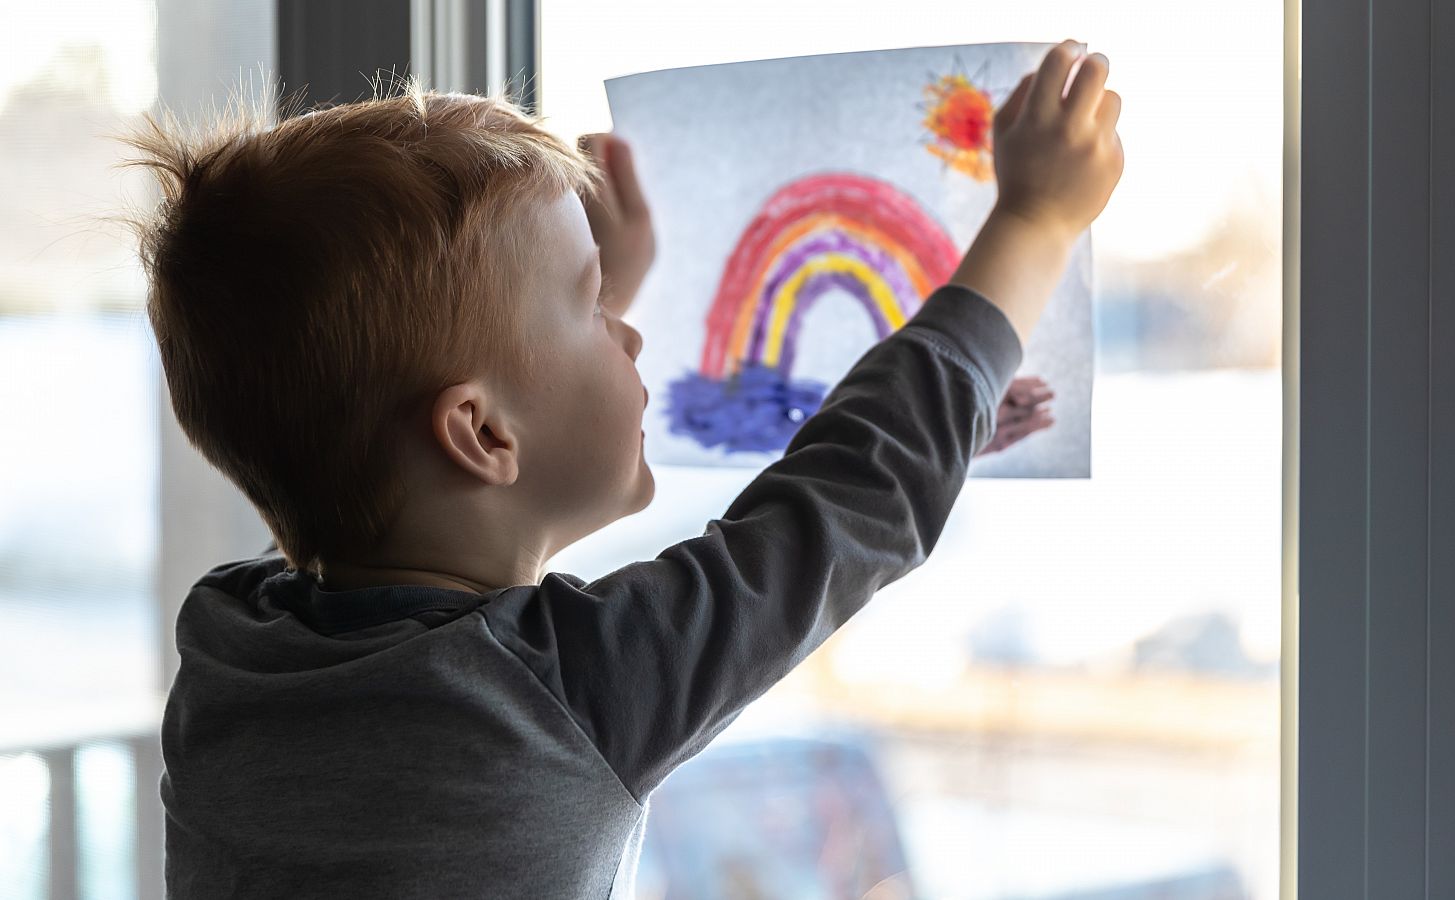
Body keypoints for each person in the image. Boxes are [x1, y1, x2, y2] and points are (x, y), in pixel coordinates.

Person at [127, 37, 1121, 898]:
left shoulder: (232, 644)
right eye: (595, 306)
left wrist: (568, 310)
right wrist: (1030, 223)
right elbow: (857, 495)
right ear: (480, 434)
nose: (632, 339)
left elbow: (348, 460)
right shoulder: (559, 698)